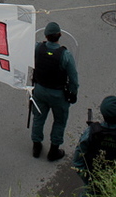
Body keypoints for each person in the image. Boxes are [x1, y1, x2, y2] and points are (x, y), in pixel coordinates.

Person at [72, 95, 116, 197]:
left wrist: (90, 181)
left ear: (103, 114)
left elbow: (77, 162)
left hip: (93, 191)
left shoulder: (90, 133)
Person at [30, 21, 79, 161]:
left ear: (45, 36)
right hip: (58, 94)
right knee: (59, 121)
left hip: (39, 90)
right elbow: (73, 79)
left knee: (38, 118)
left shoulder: (37, 48)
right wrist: (73, 94)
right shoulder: (65, 55)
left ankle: (36, 146)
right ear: (60, 35)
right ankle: (53, 151)